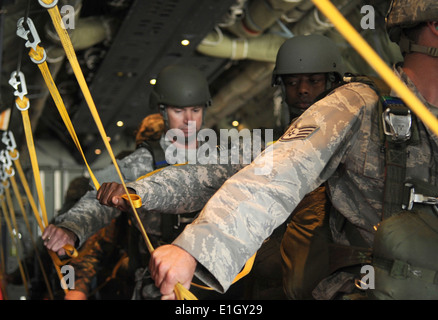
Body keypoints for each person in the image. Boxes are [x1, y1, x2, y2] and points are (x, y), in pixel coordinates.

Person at [146, 1, 438, 300]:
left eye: (314, 81)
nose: (302, 91)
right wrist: (192, 247)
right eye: (293, 83)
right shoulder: (357, 107)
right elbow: (264, 179)